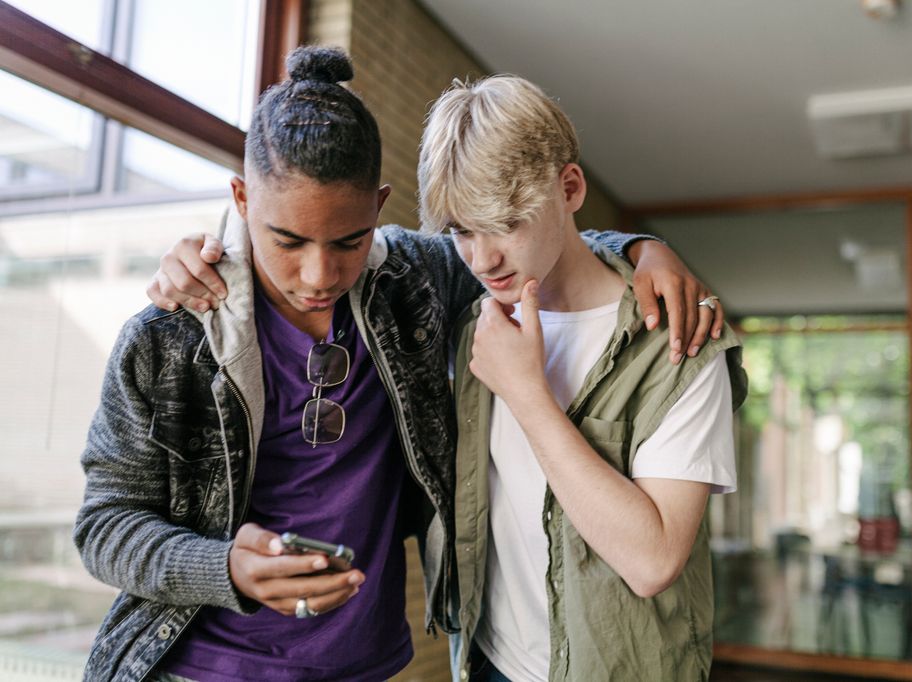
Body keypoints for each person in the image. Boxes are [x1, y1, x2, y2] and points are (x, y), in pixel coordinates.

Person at [77, 46, 720, 682]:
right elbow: (103, 526)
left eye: (349, 241)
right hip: (198, 667)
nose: (319, 274)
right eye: (288, 241)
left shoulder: (412, 282)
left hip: (366, 664)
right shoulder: (168, 336)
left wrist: (644, 250)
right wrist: (221, 567)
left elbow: (544, 245)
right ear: (242, 200)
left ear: (380, 209)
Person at [416, 75, 748, 681]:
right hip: (487, 663)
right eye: (463, 230)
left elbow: (652, 561)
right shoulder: (477, 326)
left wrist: (526, 393)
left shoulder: (679, 342)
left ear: (569, 187)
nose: (482, 258)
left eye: (507, 222)